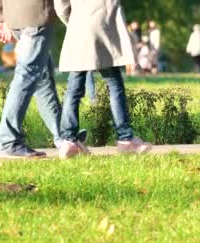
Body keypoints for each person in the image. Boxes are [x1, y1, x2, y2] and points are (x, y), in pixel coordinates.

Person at [54, 0, 151, 159]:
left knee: (74, 87)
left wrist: (74, 20)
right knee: (114, 83)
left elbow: (60, 6)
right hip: (104, 24)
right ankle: (125, 139)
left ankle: (69, 141)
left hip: (79, 24)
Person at [0, 0, 63, 158]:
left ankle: (64, 136)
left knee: (41, 77)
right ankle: (9, 140)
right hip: (36, 13)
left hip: (14, 16)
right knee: (28, 74)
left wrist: (0, 17)